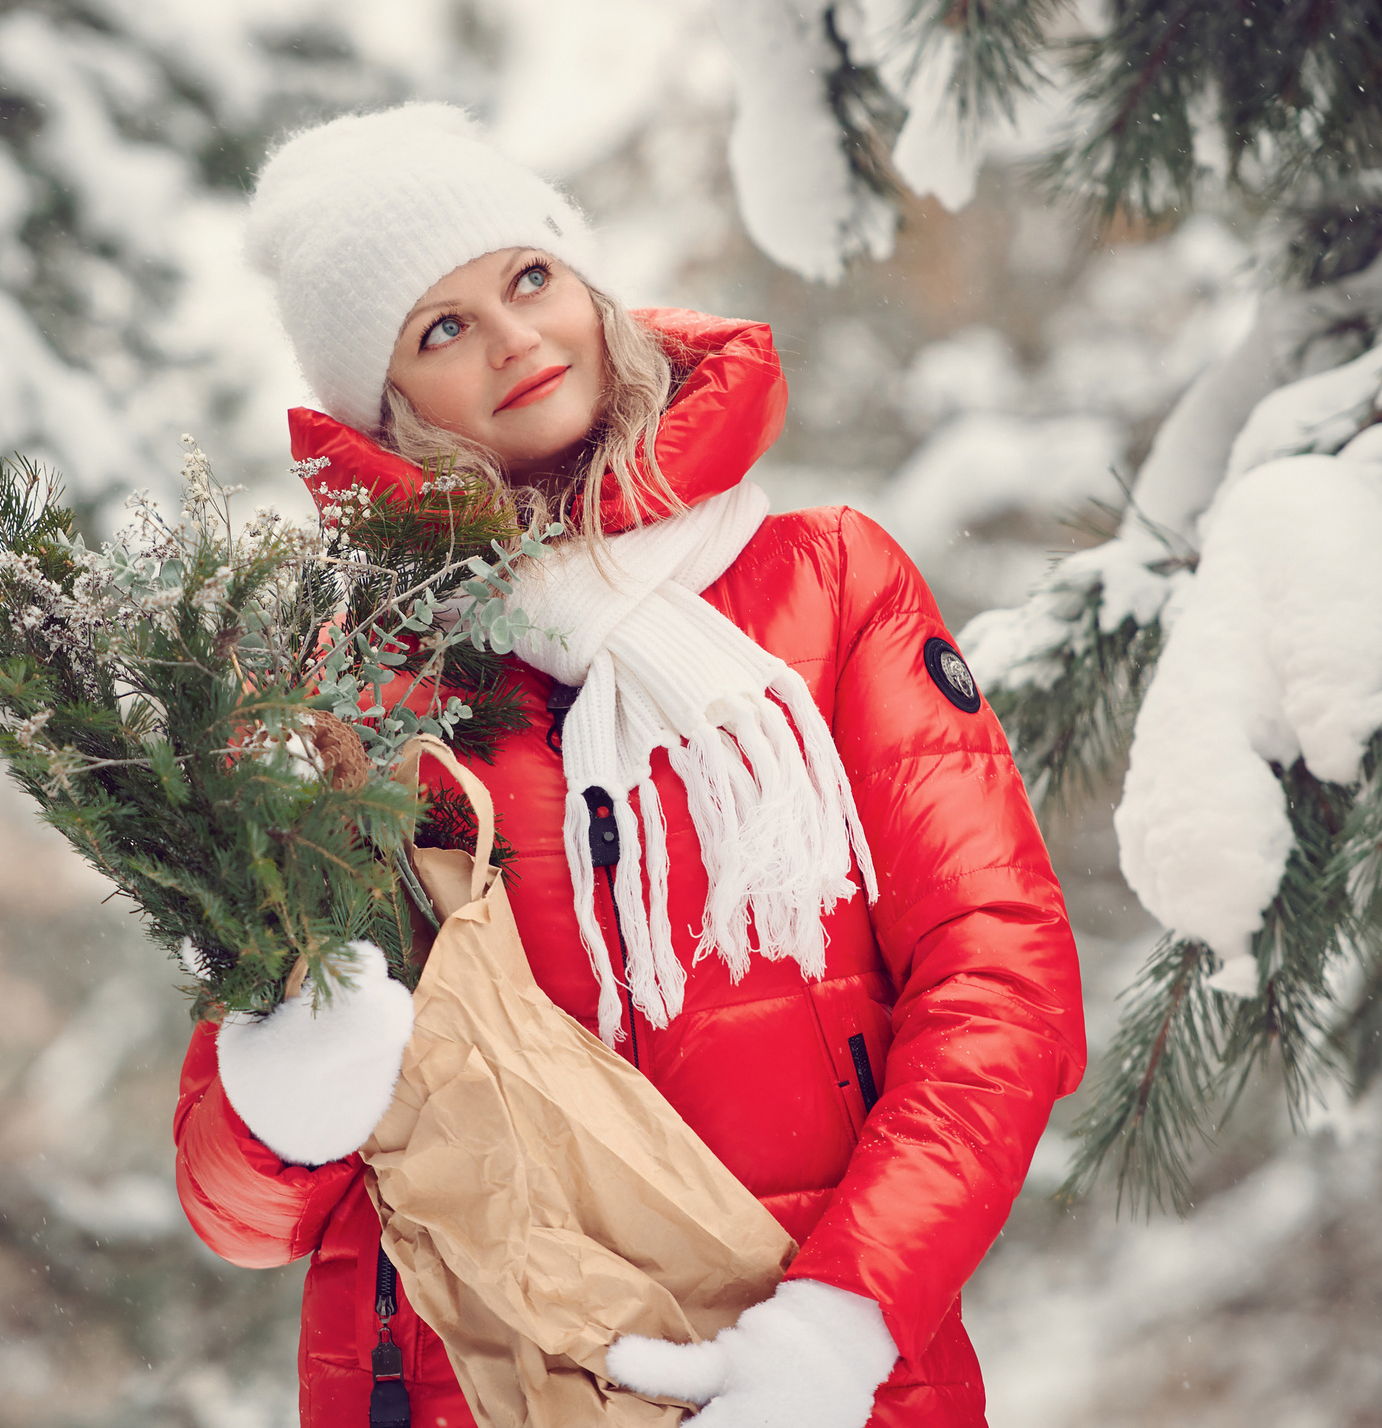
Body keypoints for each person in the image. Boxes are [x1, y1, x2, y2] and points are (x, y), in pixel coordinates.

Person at [172, 104, 1085, 1428]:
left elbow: (1000, 980)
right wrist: (281, 1097)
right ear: (387, 408)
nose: (516, 339)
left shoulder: (825, 584)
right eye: (441, 329)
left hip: (818, 1379)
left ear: (589, 283)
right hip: (480, 1389)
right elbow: (242, 1215)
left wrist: (840, 1325)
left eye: (529, 279)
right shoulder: (342, 693)